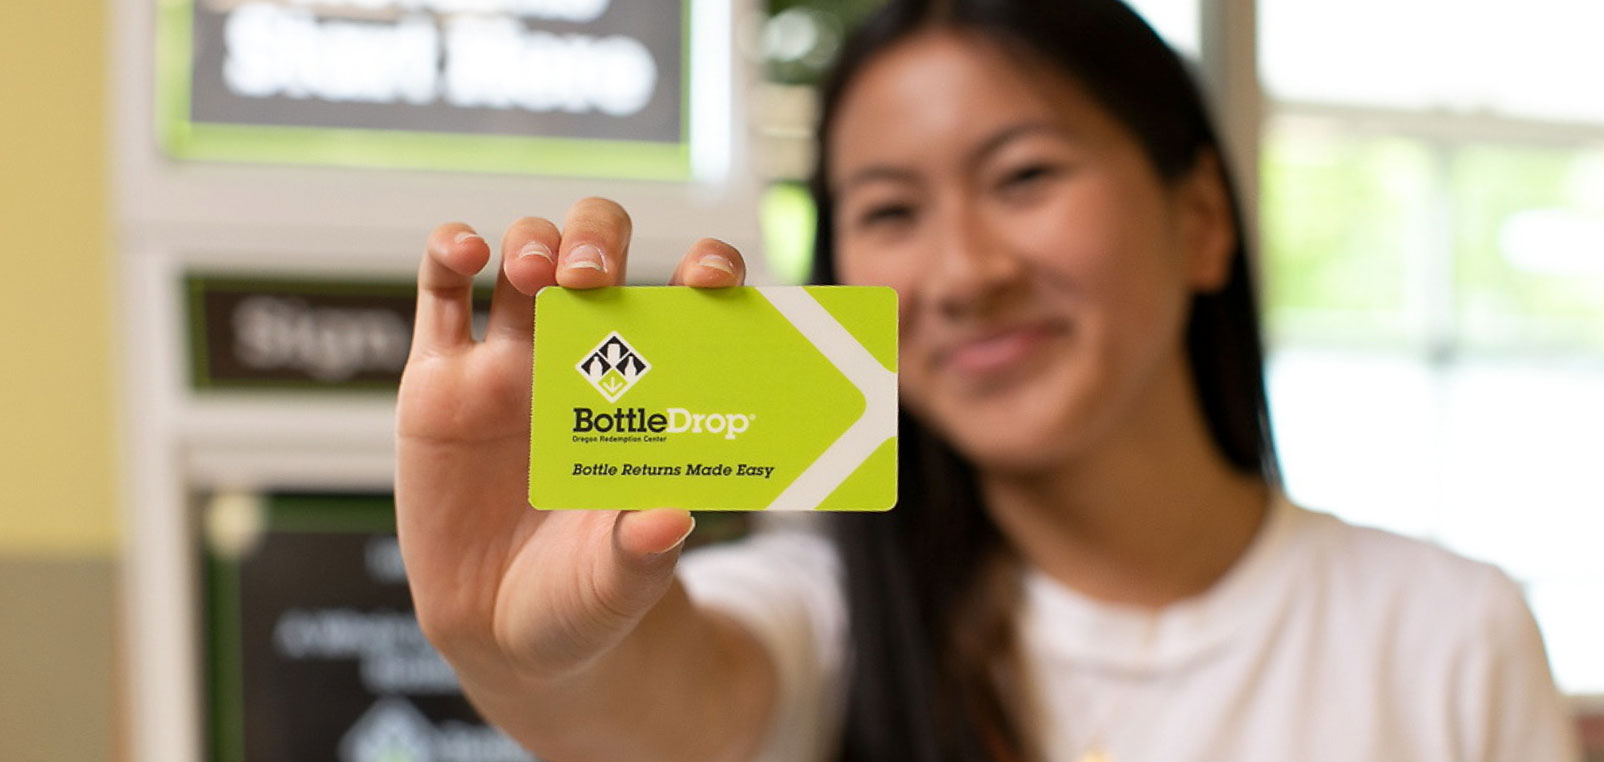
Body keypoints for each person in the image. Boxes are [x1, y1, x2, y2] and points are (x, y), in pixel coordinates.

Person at [394, 1, 1580, 760]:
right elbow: (674, 704)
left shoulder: (1446, 632)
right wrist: (518, 654)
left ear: (1203, 219)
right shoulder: (826, 613)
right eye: (891, 210)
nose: (961, 273)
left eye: (1022, 177)